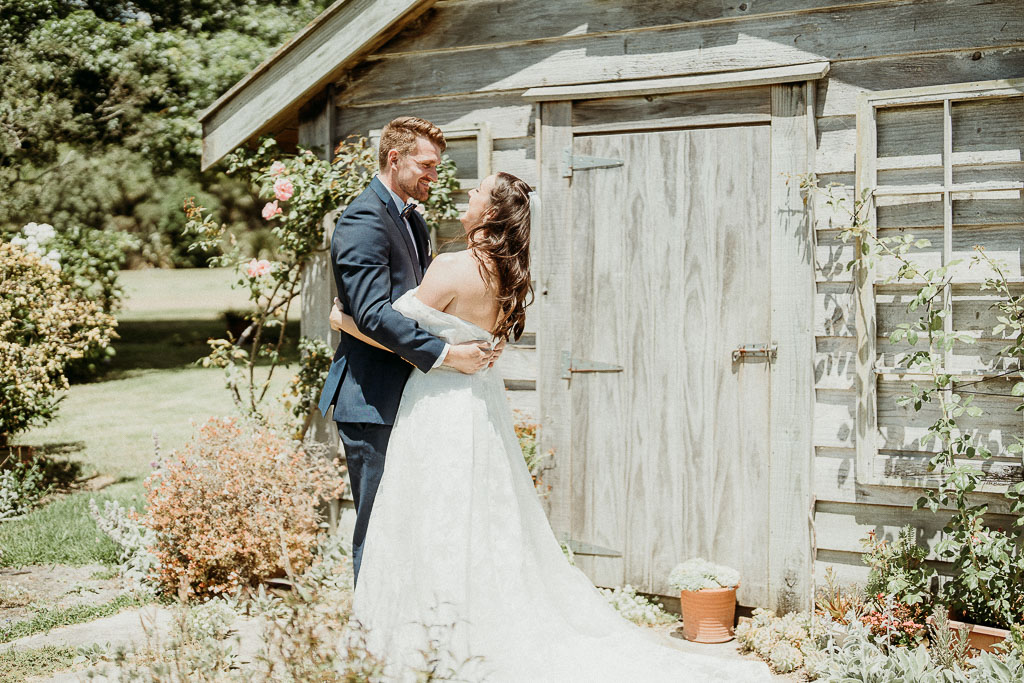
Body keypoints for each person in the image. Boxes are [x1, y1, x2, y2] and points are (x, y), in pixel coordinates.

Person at [328, 171, 774, 681]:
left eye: (476, 193)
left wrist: (343, 319)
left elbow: (390, 326)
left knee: (430, 513)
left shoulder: (450, 268)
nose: (467, 195)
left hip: (439, 405)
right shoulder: (509, 275)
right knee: (487, 515)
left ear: (490, 215)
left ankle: (429, 635)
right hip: (480, 404)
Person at [316, 117, 498, 586]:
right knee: (378, 529)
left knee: (412, 528)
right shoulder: (362, 219)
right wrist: (446, 354)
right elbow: (374, 314)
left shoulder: (413, 222)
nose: (434, 178)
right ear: (393, 158)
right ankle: (369, 646)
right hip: (372, 399)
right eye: (426, 165)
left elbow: (418, 308)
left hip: (415, 398)